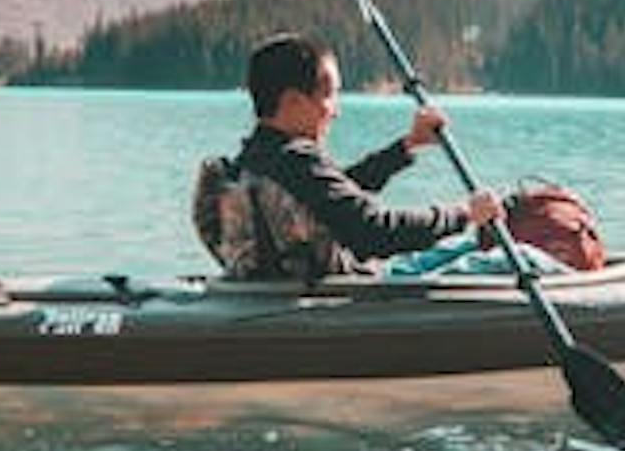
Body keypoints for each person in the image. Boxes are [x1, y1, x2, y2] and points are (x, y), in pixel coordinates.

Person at [213, 32, 500, 281]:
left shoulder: (253, 160)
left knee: (465, 248)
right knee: (525, 257)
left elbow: (334, 194)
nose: (335, 111)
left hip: (288, 290)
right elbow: (375, 232)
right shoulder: (296, 160)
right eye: (329, 96)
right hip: (346, 296)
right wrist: (463, 214)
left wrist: (407, 146)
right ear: (293, 101)